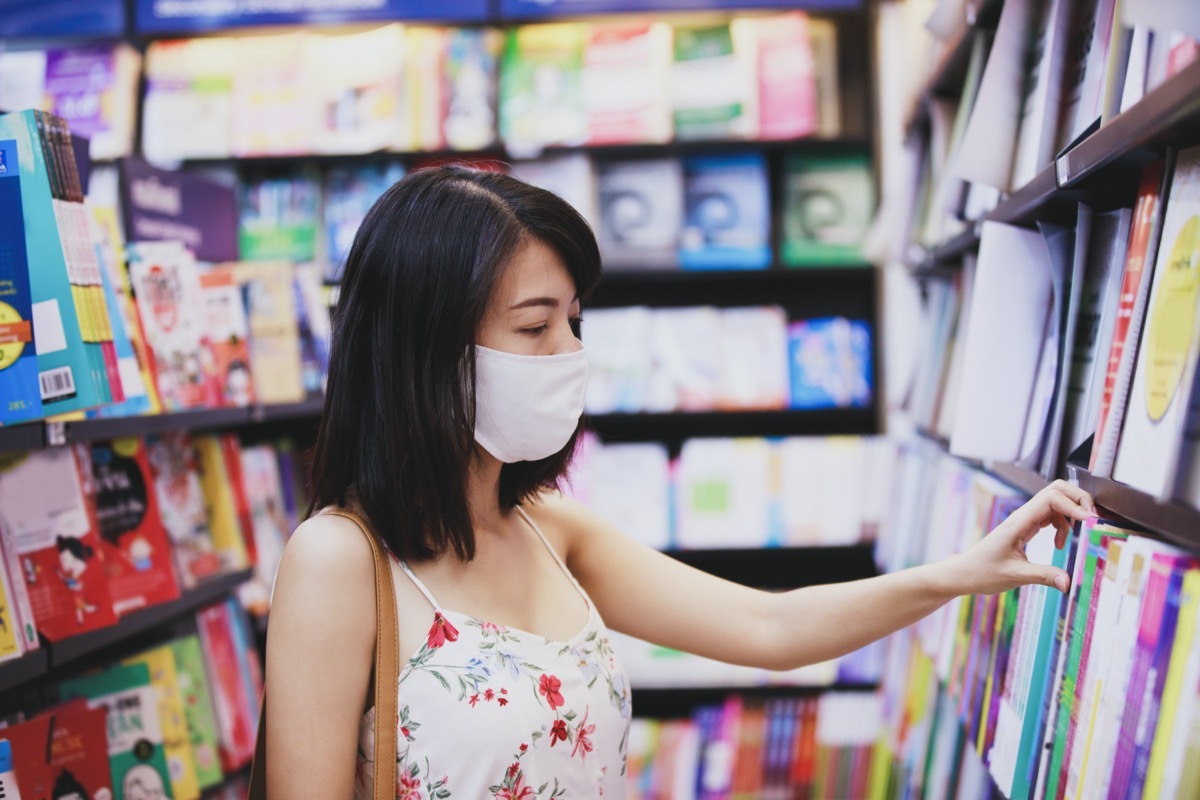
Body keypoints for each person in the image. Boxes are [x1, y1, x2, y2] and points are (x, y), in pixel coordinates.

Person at [264, 166, 1096, 799]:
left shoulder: (552, 532)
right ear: (422, 344)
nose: (570, 353)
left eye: (575, 322)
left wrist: (960, 575)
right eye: (534, 325)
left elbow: (769, 628)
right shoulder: (341, 559)